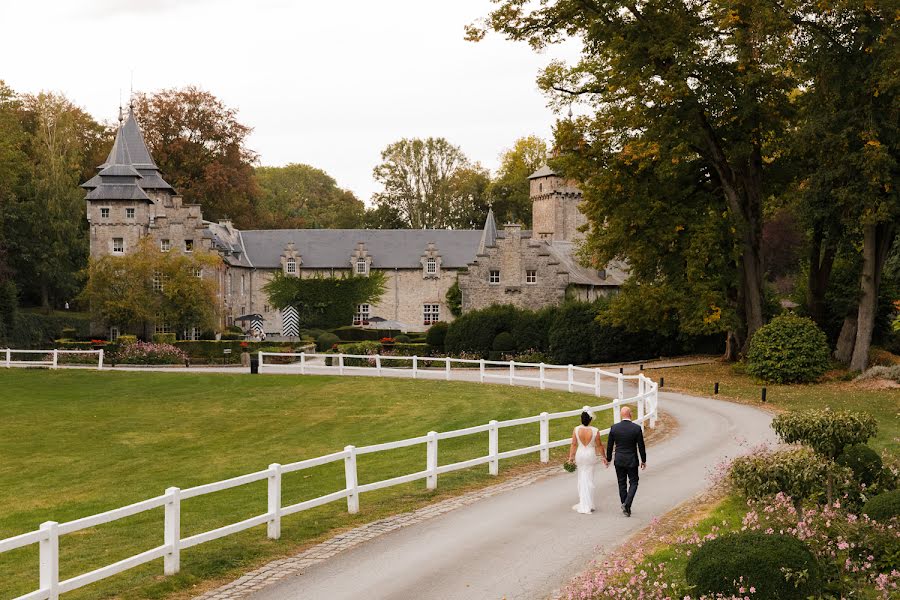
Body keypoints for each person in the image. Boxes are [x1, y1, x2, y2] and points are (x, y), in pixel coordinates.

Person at [605, 406, 647, 517]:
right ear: (630, 414)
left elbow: (609, 446)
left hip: (619, 459)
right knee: (634, 482)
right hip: (632, 460)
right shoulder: (636, 428)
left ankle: (625, 505)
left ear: (621, 415)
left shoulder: (614, 428)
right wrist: (643, 460)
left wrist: (608, 459)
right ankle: (627, 504)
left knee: (621, 483)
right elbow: (641, 446)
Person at [567, 410, 608, 514]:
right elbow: (599, 445)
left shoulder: (576, 429)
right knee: (589, 478)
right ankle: (588, 504)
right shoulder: (595, 430)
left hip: (580, 454)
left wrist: (570, 457)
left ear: (581, 419)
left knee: (581, 477)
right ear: (590, 420)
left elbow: (574, 444)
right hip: (590, 455)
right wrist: (604, 457)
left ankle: (584, 502)